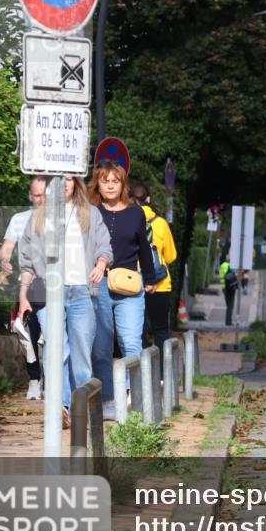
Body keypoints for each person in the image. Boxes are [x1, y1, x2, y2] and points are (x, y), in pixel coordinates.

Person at [18, 175, 112, 428]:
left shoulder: (90, 213)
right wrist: (23, 296)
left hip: (82, 290)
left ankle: (82, 408)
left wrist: (101, 264)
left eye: (69, 179)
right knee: (56, 349)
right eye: (59, 179)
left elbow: (105, 245)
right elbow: (26, 262)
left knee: (81, 353)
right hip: (50, 293)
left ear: (76, 183)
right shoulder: (37, 218)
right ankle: (60, 407)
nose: (64, 183)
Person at [90, 163, 160, 419]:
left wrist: (150, 278)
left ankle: (133, 396)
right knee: (101, 348)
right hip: (99, 286)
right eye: (105, 180)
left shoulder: (136, 213)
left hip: (130, 286)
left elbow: (144, 247)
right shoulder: (91, 212)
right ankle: (109, 400)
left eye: (115, 181)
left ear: (123, 185)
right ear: (97, 184)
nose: (110, 185)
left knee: (131, 343)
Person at [0, 176, 47, 400]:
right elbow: (7, 245)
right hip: (27, 286)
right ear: (30, 196)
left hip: (54, 284)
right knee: (27, 335)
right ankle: (34, 379)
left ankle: (51, 379)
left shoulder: (61, 218)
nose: (41, 199)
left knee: (51, 335)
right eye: (37, 195)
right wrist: (5, 259)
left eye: (44, 194)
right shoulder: (19, 219)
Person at [130, 182, 178, 351]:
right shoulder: (161, 223)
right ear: (148, 199)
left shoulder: (128, 220)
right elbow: (171, 257)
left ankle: (140, 376)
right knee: (161, 332)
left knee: (137, 333)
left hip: (134, 284)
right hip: (160, 285)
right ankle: (163, 376)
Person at [222, 258, 239, 326]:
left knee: (229, 306)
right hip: (230, 291)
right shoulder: (231, 274)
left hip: (227, 290)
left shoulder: (227, 272)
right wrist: (235, 284)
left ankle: (228, 321)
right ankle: (228, 322)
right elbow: (232, 283)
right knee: (230, 307)